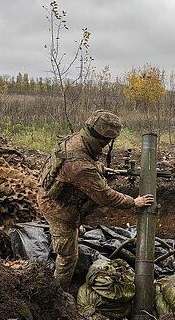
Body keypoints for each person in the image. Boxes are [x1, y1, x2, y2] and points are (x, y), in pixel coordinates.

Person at [37, 110, 154, 291]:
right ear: (104, 140)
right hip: (57, 209)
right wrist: (134, 202)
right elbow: (105, 196)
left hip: (60, 199)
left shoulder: (79, 140)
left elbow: (86, 164)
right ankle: (57, 296)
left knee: (73, 233)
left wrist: (101, 169)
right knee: (68, 258)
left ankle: (67, 237)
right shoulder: (80, 167)